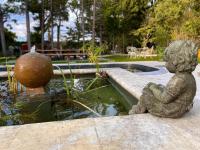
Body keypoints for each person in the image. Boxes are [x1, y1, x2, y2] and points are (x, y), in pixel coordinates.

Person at [129, 40, 198, 118]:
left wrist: (153, 88)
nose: (165, 64)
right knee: (159, 86)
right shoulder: (189, 77)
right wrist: (157, 88)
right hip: (182, 107)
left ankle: (137, 111)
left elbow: (164, 99)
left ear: (177, 61)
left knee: (146, 93)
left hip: (172, 110)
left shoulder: (179, 79)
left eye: (167, 61)